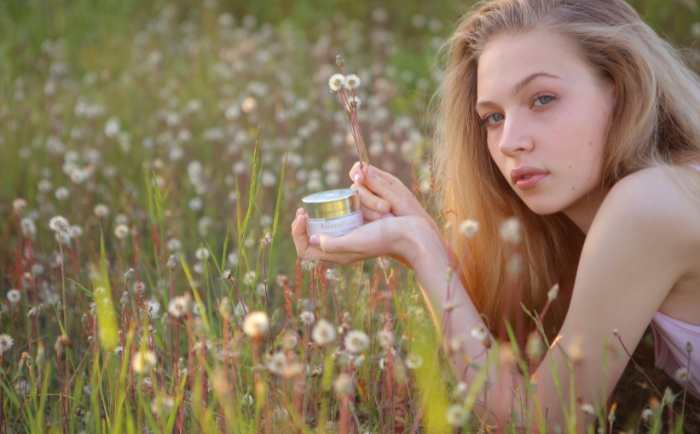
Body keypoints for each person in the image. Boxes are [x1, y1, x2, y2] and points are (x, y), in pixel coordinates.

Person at [292, 0, 700, 430]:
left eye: (543, 99)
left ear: (620, 86)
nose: (509, 141)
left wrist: (420, 249)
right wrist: (427, 239)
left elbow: (541, 421)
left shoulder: (652, 204)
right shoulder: (654, 196)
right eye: (493, 117)